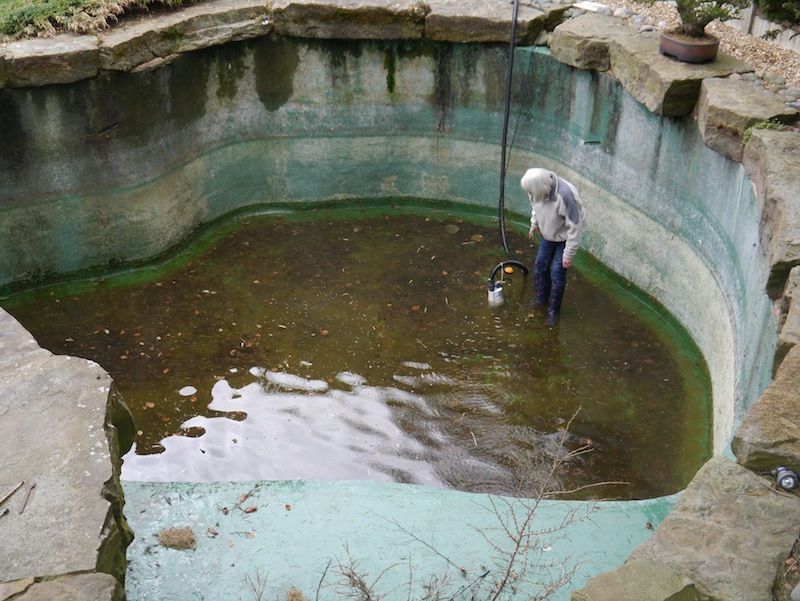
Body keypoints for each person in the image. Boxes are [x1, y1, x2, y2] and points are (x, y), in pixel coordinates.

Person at [520, 168, 584, 327]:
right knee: (541, 265)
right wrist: (534, 224)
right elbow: (535, 207)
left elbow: (575, 226)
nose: (531, 194)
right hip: (548, 234)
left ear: (543, 189)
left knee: (557, 271)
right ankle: (540, 301)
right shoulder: (536, 190)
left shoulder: (566, 195)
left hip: (565, 237)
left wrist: (568, 254)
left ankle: (554, 311)